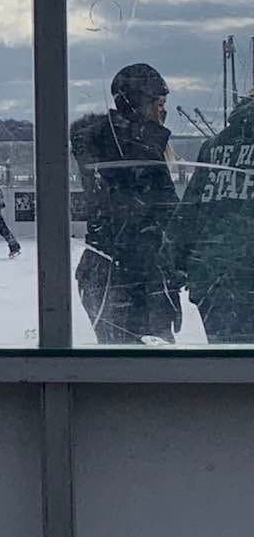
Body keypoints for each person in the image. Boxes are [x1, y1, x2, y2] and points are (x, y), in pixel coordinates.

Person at [71, 63, 181, 345]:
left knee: (119, 365)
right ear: (140, 105)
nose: (163, 111)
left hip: (106, 272)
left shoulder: (107, 144)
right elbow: (164, 213)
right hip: (135, 277)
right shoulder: (137, 149)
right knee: (147, 372)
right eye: (159, 103)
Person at [170, 92, 254, 342]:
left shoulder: (214, 145)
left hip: (212, 276)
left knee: (227, 360)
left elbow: (190, 210)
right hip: (246, 272)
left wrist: (177, 263)